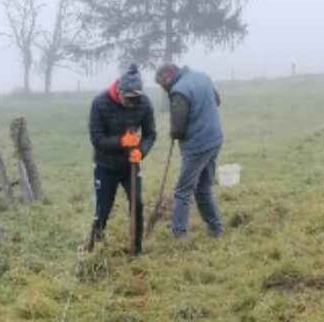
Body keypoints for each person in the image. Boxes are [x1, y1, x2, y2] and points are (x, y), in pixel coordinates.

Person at [87, 64, 156, 250]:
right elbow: (97, 138)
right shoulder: (100, 103)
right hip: (105, 166)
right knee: (103, 208)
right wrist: (121, 142)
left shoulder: (144, 103)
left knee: (138, 204)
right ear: (119, 91)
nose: (132, 104)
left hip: (130, 167)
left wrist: (141, 151)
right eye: (128, 99)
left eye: (136, 99)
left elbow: (150, 134)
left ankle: (136, 248)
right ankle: (94, 247)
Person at [154, 61, 224, 239]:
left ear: (168, 76)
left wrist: (173, 133)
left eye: (162, 84)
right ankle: (216, 229)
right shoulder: (202, 77)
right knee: (203, 189)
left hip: (197, 146)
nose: (164, 88)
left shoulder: (179, 90)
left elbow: (178, 129)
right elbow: (217, 101)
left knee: (182, 192)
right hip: (214, 140)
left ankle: (178, 235)